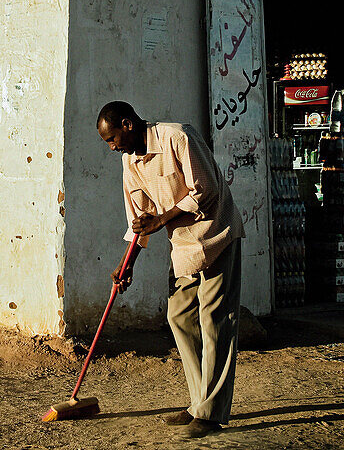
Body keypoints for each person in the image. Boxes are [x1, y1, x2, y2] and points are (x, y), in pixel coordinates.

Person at [96, 101, 245, 439]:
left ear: (127, 124)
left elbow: (205, 191)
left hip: (217, 234)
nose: (111, 146)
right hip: (184, 246)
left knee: (216, 321)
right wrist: (127, 263)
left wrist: (161, 219)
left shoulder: (177, 137)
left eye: (112, 138)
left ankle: (210, 413)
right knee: (179, 316)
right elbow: (141, 217)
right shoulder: (130, 162)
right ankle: (198, 403)